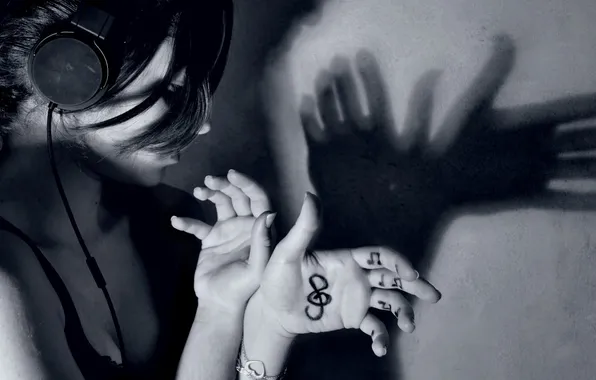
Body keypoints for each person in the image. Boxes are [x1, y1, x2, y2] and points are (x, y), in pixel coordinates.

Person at [0, 1, 440, 379]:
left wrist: (259, 321)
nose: (203, 124)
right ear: (66, 74)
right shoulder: (5, 287)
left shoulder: (180, 229)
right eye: (172, 92)